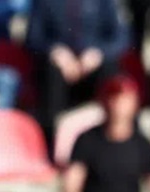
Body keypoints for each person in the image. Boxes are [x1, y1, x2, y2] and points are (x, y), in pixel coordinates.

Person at [26, 0, 130, 149]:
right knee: (50, 74)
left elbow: (121, 38)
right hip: (59, 70)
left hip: (93, 67)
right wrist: (55, 51)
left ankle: (111, 143)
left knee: (111, 72)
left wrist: (98, 53)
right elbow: (33, 37)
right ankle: (51, 143)